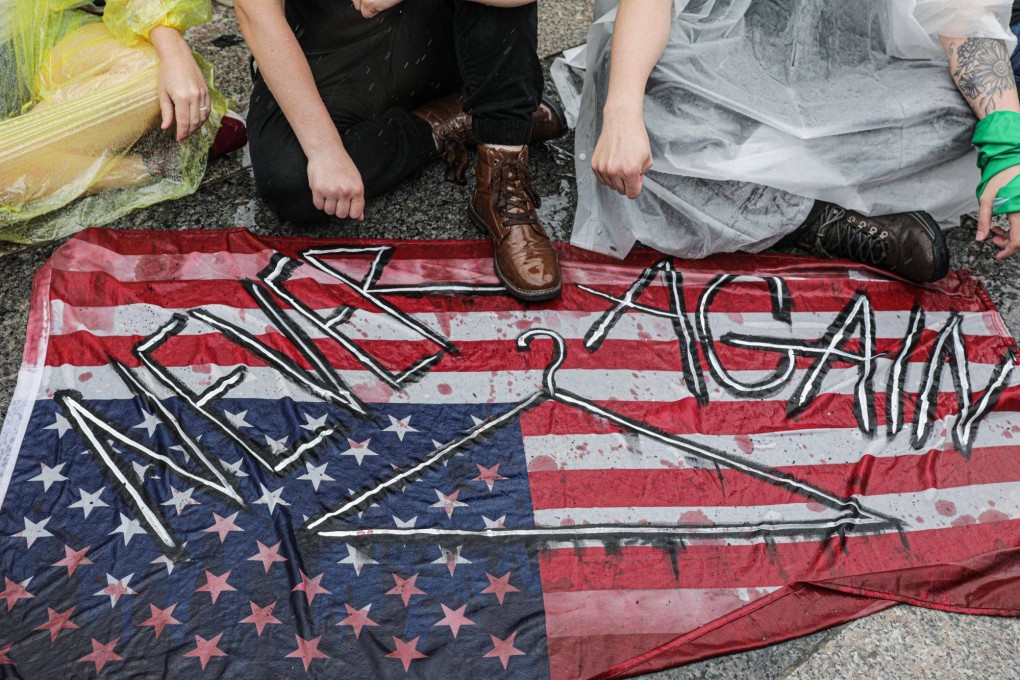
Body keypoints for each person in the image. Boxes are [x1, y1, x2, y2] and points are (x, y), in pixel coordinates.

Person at [553, 0, 1020, 283]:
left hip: (857, 79)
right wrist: (622, 111)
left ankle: (758, 196)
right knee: (631, 91)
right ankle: (817, 219)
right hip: (725, 64)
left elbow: (967, 24)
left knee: (960, 112)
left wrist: (1007, 150)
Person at [234, 0, 567, 302]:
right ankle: (451, 120)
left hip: (438, 33)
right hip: (332, 47)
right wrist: (325, 150)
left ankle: (500, 160)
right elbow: (256, 14)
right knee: (292, 179)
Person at [0, 0, 229, 244]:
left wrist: (175, 53)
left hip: (47, 37)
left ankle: (32, 157)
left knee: (153, 80)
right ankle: (138, 169)